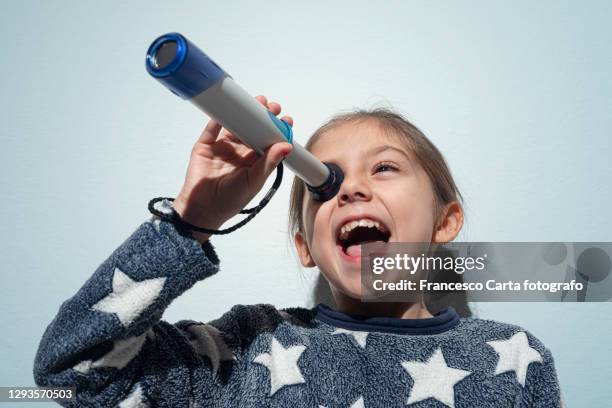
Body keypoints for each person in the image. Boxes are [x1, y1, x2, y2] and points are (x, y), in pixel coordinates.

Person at [33, 96, 563, 407]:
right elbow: (70, 373)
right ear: (305, 247)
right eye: (323, 185)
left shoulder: (514, 356)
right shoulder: (247, 346)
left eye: (383, 168)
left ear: (445, 222)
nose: (352, 189)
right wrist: (191, 224)